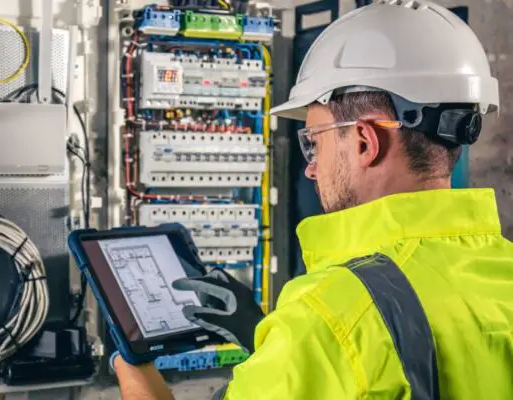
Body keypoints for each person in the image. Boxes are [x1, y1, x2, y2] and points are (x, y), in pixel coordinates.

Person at [111, 1, 513, 399]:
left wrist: (131, 365)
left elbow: (352, 344)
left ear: (363, 142)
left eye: (314, 142)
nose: (311, 168)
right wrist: (267, 339)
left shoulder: (326, 319)